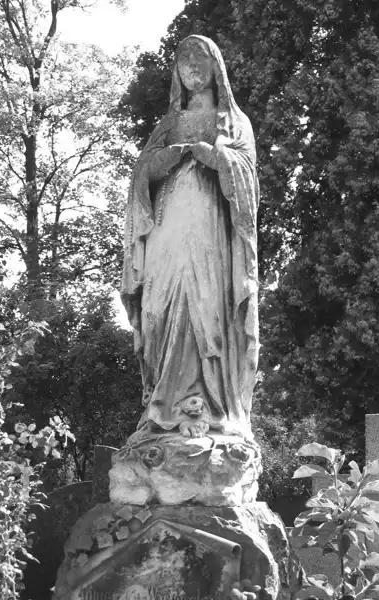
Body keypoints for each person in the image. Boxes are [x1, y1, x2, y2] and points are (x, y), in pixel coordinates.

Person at [122, 35, 259, 439]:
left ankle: (213, 407)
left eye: (199, 57)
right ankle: (160, 408)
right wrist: (159, 162)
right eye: (183, 59)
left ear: (216, 66)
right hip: (165, 233)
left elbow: (248, 183)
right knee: (156, 313)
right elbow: (140, 180)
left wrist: (217, 158)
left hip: (210, 234)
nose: (191, 65)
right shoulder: (166, 126)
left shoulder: (234, 123)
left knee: (208, 310)